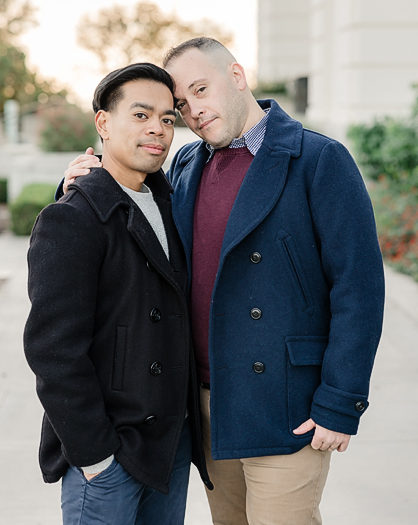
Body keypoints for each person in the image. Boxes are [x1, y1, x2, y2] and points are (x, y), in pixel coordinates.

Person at [61, 37, 385, 525]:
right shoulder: (187, 166)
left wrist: (341, 402)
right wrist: (78, 185)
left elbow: (358, 288)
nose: (194, 112)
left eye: (201, 89)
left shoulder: (318, 159)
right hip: (208, 408)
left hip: (287, 406)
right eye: (182, 106)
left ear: (236, 77)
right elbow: (129, 220)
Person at [25, 63, 211, 525]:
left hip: (169, 443)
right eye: (141, 115)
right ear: (103, 123)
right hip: (111, 455)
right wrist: (95, 457)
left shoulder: (171, 204)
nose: (158, 130)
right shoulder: (70, 218)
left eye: (168, 119)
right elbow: (53, 352)